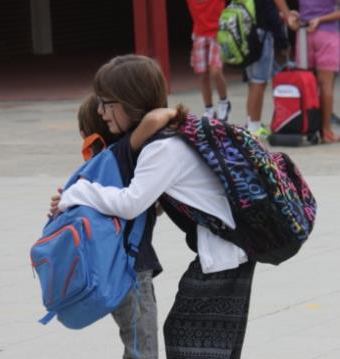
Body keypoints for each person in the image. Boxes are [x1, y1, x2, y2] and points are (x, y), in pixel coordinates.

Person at [51, 54, 256, 359]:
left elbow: (132, 203)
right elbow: (152, 202)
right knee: (203, 342)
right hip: (227, 249)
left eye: (107, 103)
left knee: (191, 341)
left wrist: (79, 192)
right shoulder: (159, 139)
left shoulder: (162, 147)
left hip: (226, 252)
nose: (101, 111)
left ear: (129, 100)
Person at [71, 94, 163, 359]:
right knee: (142, 349)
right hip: (131, 270)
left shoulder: (95, 167)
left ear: (84, 133)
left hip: (109, 269)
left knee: (135, 344)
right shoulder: (122, 158)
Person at [275, 0, 340, 143]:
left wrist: (288, 15)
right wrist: (321, 19)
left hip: (304, 34)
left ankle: (309, 126)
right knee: (326, 85)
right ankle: (326, 130)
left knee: (307, 84)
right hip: (328, 34)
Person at [244, 0, 288, 138]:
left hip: (246, 33)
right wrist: (282, 40)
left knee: (253, 83)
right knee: (259, 82)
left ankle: (251, 123)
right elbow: (270, 12)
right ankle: (254, 128)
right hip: (262, 35)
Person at [186, 0, 232, 121]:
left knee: (215, 71)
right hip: (199, 35)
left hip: (218, 34)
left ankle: (224, 103)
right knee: (202, 75)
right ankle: (209, 109)